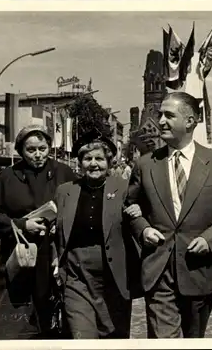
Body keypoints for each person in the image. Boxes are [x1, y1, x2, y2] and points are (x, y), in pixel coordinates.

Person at [125, 92, 212, 338]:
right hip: (158, 269)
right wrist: (143, 228)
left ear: (190, 121)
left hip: (198, 268)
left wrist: (211, 239)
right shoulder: (145, 164)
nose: (160, 121)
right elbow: (130, 207)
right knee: (163, 340)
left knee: (193, 339)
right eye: (160, 115)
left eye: (169, 115)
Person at [0, 125, 79, 339]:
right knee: (18, 316)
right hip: (21, 254)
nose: (38, 155)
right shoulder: (7, 176)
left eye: (42, 148)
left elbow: (78, 206)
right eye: (31, 150)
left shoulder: (64, 172)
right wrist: (22, 225)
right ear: (20, 150)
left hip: (54, 253)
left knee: (56, 315)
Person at [52, 129, 143, 339]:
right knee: (81, 334)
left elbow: (143, 217)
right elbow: (54, 226)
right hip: (76, 275)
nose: (93, 164)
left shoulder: (123, 188)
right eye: (87, 158)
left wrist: (140, 213)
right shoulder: (65, 191)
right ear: (80, 162)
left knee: (113, 335)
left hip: (114, 275)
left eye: (99, 159)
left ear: (109, 161)